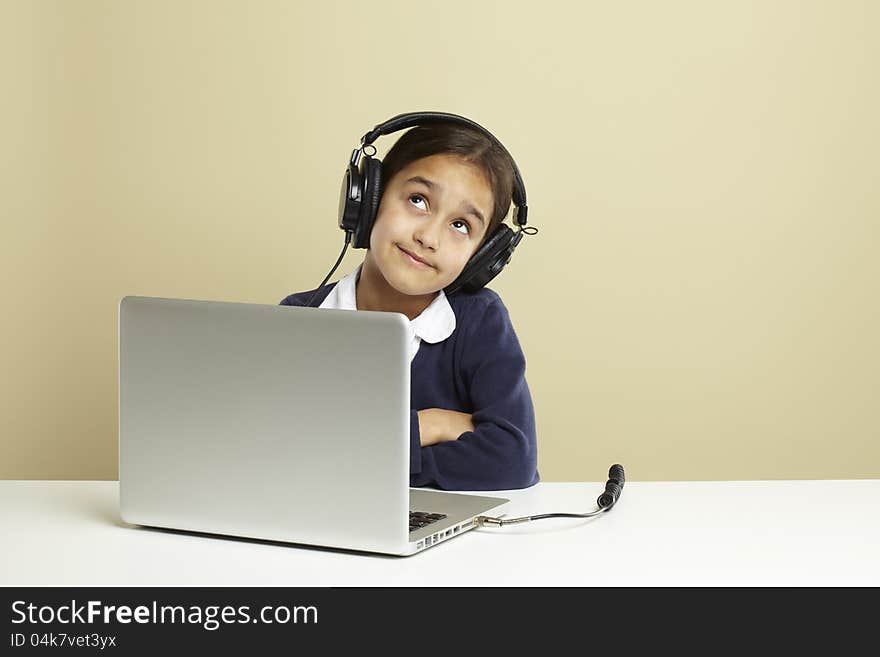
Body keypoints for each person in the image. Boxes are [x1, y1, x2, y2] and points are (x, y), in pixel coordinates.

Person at [279, 116, 538, 491]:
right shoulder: (298, 318)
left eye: (461, 225)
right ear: (369, 199)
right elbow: (282, 452)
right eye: (418, 200)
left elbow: (513, 461)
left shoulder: (480, 322)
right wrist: (428, 425)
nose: (429, 237)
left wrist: (354, 455)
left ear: (483, 257)